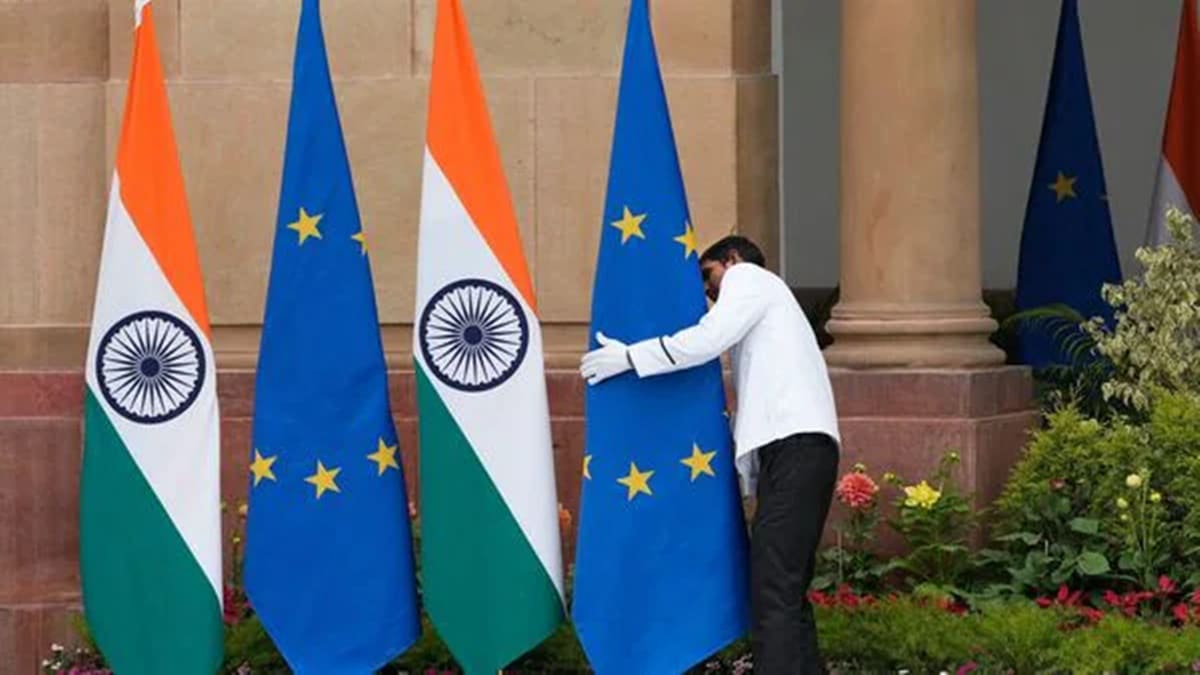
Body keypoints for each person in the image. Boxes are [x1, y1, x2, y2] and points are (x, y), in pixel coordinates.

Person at [579, 235, 841, 674]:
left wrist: (631, 356)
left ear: (731, 259)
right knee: (783, 587)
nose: (707, 290)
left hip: (796, 447)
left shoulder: (749, 278)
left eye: (707, 274)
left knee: (773, 587)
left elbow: (706, 340)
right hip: (796, 449)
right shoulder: (767, 301)